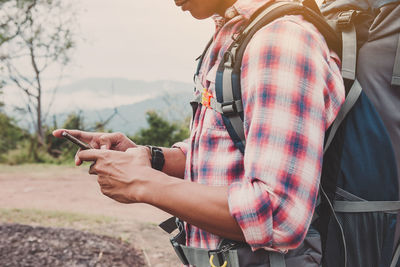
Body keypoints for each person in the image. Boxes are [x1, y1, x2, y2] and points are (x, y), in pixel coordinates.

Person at [53, 0, 345, 261]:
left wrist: (143, 182)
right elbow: (231, 146)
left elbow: (278, 215)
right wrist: (149, 158)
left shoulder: (280, 41)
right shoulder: (238, 33)